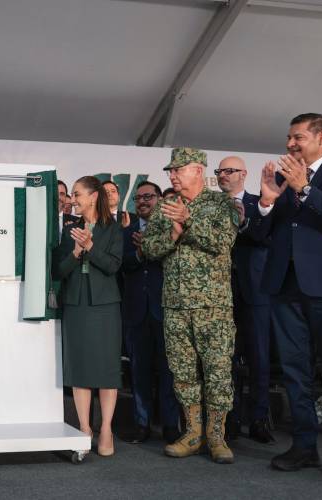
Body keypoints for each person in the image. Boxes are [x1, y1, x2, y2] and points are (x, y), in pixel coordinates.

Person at [250, 113, 322, 481]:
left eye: (297, 137)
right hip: (286, 287)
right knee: (294, 373)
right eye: (288, 138)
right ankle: (303, 446)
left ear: (321, 137)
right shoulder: (283, 178)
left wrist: (305, 189)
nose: (290, 145)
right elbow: (262, 234)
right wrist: (267, 202)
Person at [143, 147, 238, 464]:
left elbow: (223, 242)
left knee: (217, 373)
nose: (171, 175)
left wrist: (190, 220)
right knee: (182, 373)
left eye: (178, 170)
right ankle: (193, 433)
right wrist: (173, 232)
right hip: (175, 305)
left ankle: (217, 437)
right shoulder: (164, 207)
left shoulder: (221, 203)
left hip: (214, 307)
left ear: (198, 170)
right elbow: (149, 249)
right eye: (170, 170)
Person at [52, 175, 123, 457]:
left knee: (106, 370)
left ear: (94, 196)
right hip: (76, 304)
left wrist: (91, 248)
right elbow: (58, 270)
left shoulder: (113, 229)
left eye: (78, 194)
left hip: (105, 305)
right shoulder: (69, 228)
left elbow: (113, 266)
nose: (73, 199)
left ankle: (106, 428)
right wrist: (77, 251)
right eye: (72, 194)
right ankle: (84, 427)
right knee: (79, 368)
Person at [216, 156, 275, 443]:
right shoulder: (211, 207)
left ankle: (260, 418)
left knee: (259, 356)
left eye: (229, 171)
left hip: (256, 289)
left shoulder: (260, 202)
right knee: (225, 359)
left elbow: (267, 238)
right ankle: (231, 418)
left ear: (243, 174)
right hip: (220, 292)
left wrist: (243, 223)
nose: (223, 175)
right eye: (219, 171)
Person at [121, 181, 180, 444]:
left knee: (169, 372)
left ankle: (170, 426)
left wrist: (152, 247)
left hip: (165, 309)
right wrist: (138, 252)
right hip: (135, 311)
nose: (143, 201)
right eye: (138, 198)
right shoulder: (126, 231)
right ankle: (141, 424)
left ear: (160, 199)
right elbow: (120, 263)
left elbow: (176, 263)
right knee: (139, 371)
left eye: (149, 196)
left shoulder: (172, 228)